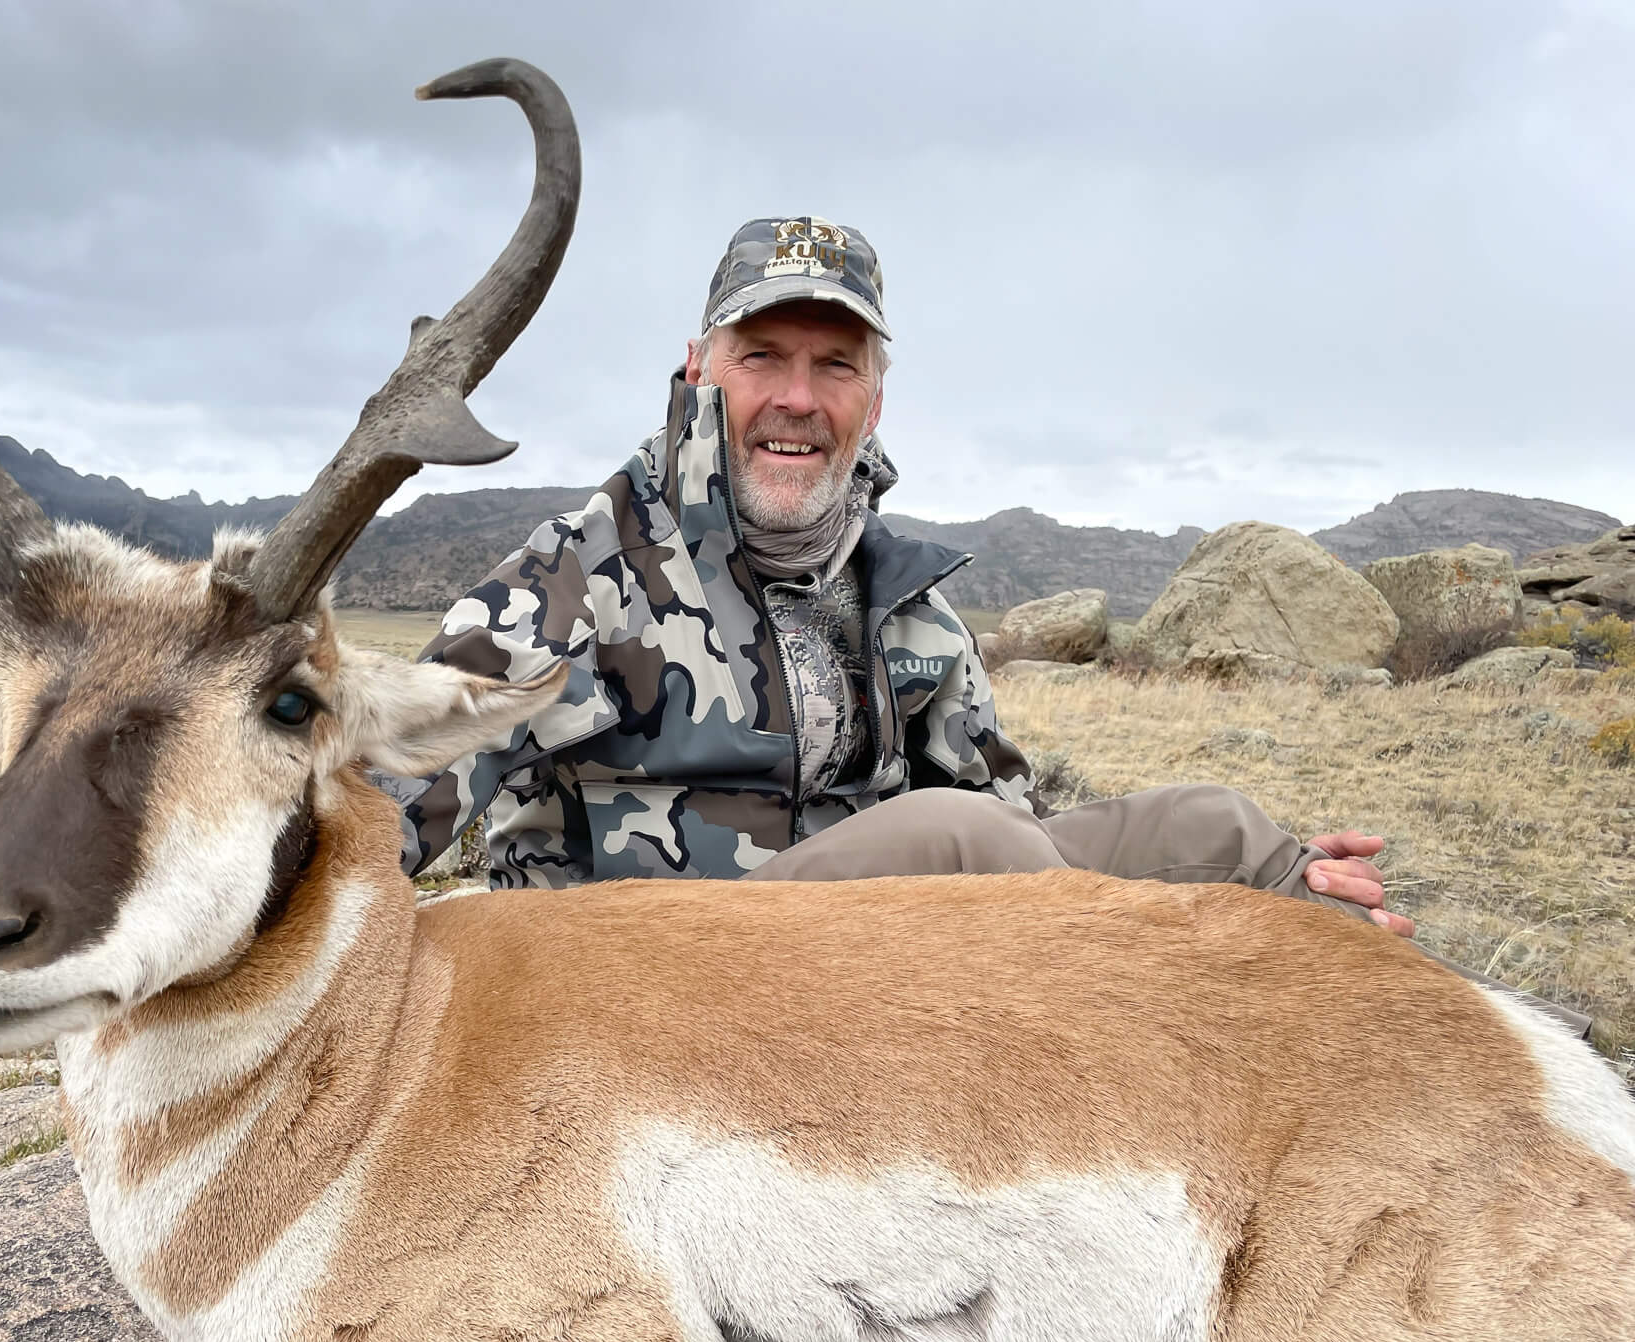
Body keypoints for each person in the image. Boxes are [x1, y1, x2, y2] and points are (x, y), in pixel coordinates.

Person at [378, 215, 1587, 1030]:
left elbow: (1022, 823)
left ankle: (1431, 1013)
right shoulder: (582, 571)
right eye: (764, 357)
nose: (797, 398)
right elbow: (385, 799)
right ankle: (1135, 1077)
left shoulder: (900, 593)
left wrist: (1247, 881)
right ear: (699, 370)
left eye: (833, 365)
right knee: (959, 843)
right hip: (662, 988)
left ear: (873, 395)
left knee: (1210, 826)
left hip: (881, 949)